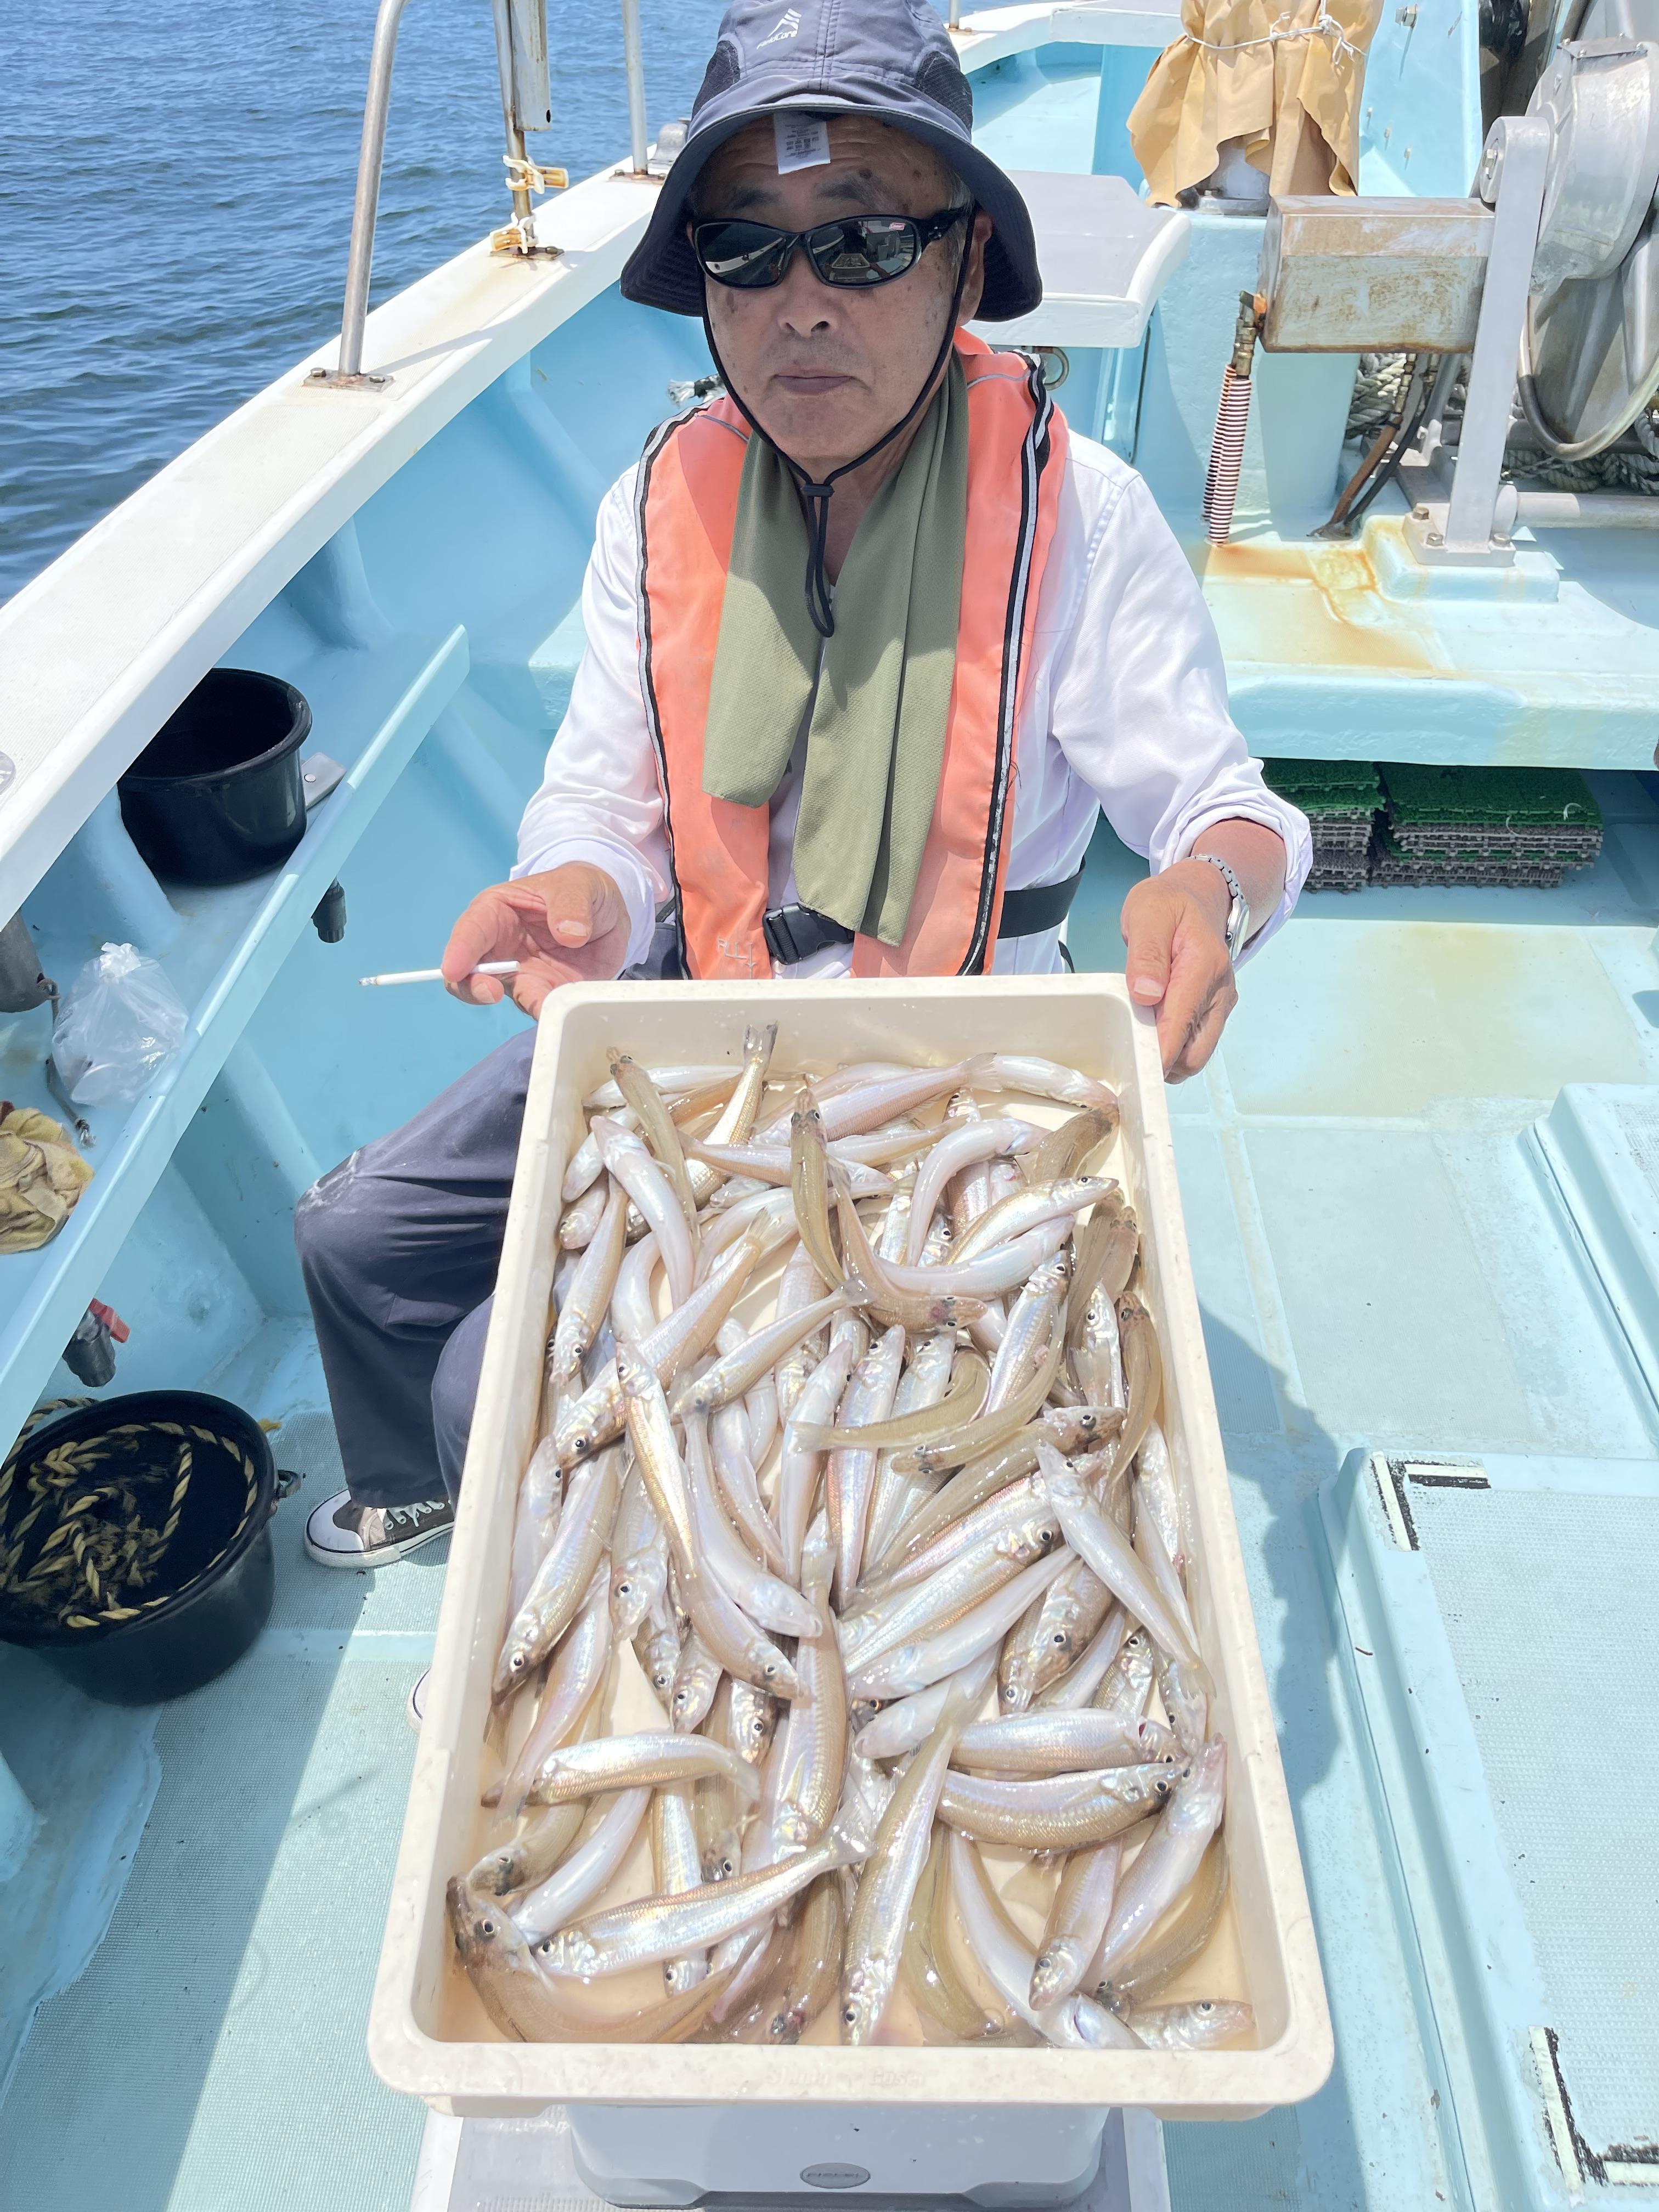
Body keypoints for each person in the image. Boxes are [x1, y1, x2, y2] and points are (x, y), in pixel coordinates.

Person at [296, 0, 1311, 1615]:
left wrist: (1210, 893)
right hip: (688, 1015)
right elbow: (600, 804)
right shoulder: (660, 494)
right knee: (356, 1237)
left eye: (864, 244)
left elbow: (1227, 805)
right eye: (747, 253)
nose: (800, 310)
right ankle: (420, 1503)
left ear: (968, 263)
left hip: (943, 1066)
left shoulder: (1080, 514)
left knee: (501, 1380)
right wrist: (571, 895)